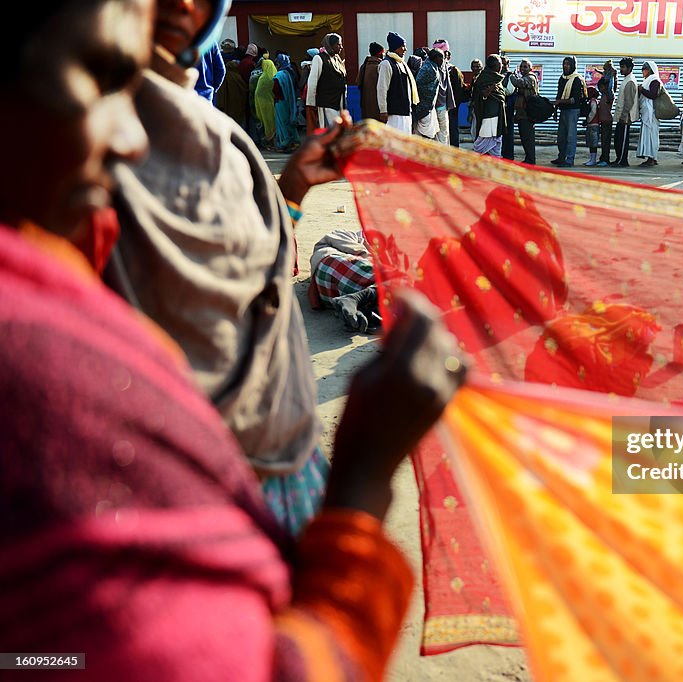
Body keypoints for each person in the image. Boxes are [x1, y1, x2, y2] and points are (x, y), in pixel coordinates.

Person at [1, 1, 468, 678]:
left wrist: (291, 189)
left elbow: (237, 275)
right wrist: (365, 477)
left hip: (278, 464)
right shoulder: (54, 389)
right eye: (101, 75)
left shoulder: (194, 131)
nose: (130, 137)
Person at [109, 0, 348, 534]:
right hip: (180, 489)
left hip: (284, 452)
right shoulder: (82, 138)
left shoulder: (220, 133)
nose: (180, 3)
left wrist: (293, 187)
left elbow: (264, 276)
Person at [378, 32, 418, 134]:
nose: (405, 49)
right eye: (403, 46)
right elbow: (382, 89)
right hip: (394, 114)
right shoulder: (386, 64)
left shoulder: (401, 63)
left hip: (405, 111)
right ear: (395, 47)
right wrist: (383, 110)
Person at [306, 33, 347, 130]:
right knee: (329, 132)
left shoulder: (337, 58)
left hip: (338, 102)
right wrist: (311, 105)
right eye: (338, 44)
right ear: (330, 45)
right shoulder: (319, 58)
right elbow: (312, 82)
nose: (341, 47)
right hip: (326, 103)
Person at [553, 56, 585, 168]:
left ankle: (569, 159)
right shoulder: (562, 78)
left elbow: (574, 100)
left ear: (573, 65)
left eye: (568, 64)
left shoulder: (576, 79)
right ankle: (561, 157)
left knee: (571, 137)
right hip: (563, 110)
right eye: (564, 63)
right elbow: (559, 94)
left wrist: (559, 102)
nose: (565, 66)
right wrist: (556, 110)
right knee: (561, 136)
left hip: (572, 111)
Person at [471, 54, 506, 157]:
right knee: (483, 141)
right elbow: (479, 96)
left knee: (496, 142)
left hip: (497, 114)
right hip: (488, 116)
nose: (501, 67)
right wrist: (488, 91)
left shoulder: (497, 78)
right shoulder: (484, 78)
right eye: (499, 64)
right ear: (494, 65)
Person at [510, 58, 540, 164]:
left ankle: (531, 160)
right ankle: (528, 158)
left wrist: (511, 76)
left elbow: (518, 83)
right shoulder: (525, 77)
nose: (522, 69)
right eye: (521, 67)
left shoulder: (530, 78)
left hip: (528, 114)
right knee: (524, 138)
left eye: (525, 67)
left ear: (530, 68)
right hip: (522, 113)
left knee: (528, 138)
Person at [612, 57, 640, 167]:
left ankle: (622, 161)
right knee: (618, 139)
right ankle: (619, 158)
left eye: (623, 67)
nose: (621, 69)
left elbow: (629, 102)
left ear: (630, 68)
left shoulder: (630, 81)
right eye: (621, 67)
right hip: (622, 116)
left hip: (625, 117)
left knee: (622, 140)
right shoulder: (626, 79)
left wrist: (624, 116)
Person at [413, 49, 444, 140]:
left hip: (429, 107)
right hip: (424, 107)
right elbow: (417, 84)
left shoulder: (433, 66)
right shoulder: (428, 68)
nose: (442, 60)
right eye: (441, 58)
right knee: (426, 135)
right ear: (436, 58)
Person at [636, 61, 662, 167]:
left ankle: (652, 158)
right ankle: (650, 157)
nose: (643, 71)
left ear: (650, 70)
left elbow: (653, 95)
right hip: (647, 112)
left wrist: (642, 90)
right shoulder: (647, 81)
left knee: (651, 135)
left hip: (651, 113)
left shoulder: (654, 80)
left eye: (644, 69)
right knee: (648, 135)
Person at [273, 54, 301, 151]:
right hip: (289, 100)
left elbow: (275, 89)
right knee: (289, 121)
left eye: (277, 63)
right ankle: (294, 141)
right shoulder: (290, 72)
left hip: (280, 102)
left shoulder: (279, 75)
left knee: (282, 123)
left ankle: (285, 142)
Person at [431, 39, 455, 145]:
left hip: (440, 106)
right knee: (441, 136)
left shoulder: (443, 66)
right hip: (437, 107)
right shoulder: (433, 66)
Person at [356, 42, 385, 124]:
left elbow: (358, 82)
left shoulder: (365, 66)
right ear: (379, 54)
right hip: (377, 106)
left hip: (365, 105)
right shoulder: (379, 67)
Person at [215, 59, 248, 128]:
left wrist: (220, 106)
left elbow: (221, 94)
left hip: (228, 107)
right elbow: (245, 90)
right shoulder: (239, 77)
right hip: (238, 106)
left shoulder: (225, 77)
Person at [595, 60, 616, 166]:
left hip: (607, 120)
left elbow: (611, 86)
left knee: (606, 141)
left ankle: (605, 159)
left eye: (600, 88)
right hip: (603, 121)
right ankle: (603, 157)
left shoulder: (608, 95)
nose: (599, 89)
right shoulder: (603, 96)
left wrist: (609, 85)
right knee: (603, 141)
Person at [254, 57, 278, 149]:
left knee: (266, 123)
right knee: (272, 122)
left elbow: (257, 92)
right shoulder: (274, 76)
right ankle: (271, 142)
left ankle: (268, 142)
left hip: (261, 105)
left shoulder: (262, 78)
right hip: (271, 103)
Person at [500, 56, 516, 160]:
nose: (503, 66)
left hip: (508, 109)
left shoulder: (511, 76)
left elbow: (509, 91)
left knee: (508, 132)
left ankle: (508, 156)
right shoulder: (497, 75)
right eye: (502, 64)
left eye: (505, 64)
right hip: (500, 108)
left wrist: (497, 88)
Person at [583, 86, 602, 166]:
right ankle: (592, 159)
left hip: (593, 124)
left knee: (593, 142)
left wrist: (588, 120)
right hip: (593, 124)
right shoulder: (593, 101)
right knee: (591, 142)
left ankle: (593, 159)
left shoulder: (593, 102)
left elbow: (593, 112)